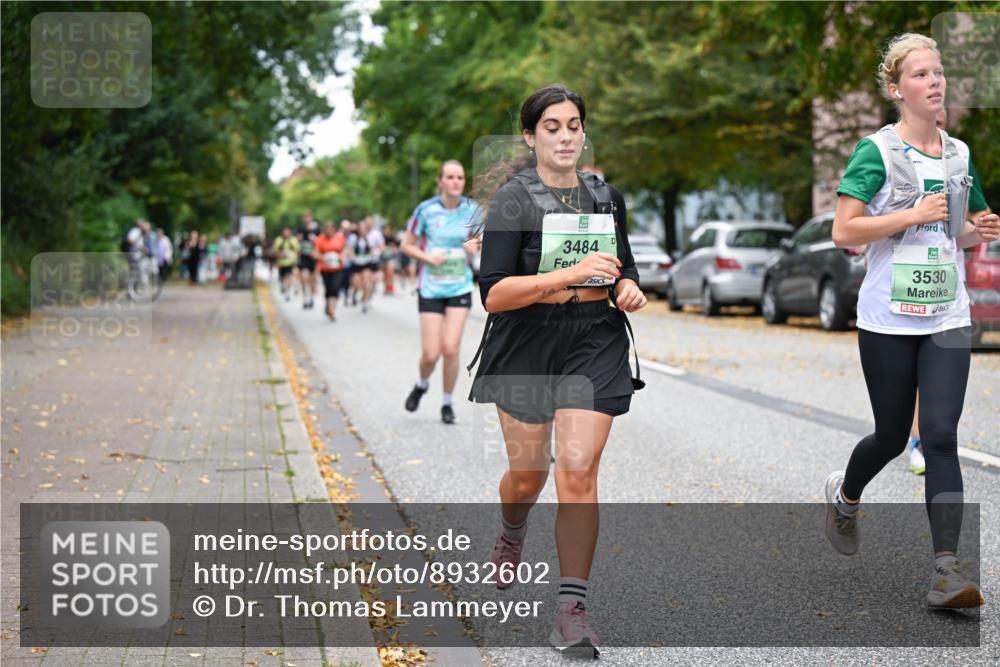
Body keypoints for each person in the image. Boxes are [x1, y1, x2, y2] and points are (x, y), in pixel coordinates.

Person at [466, 84, 647, 656]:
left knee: (575, 470)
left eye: (574, 125)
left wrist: (627, 287)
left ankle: (571, 609)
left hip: (593, 341)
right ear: (530, 135)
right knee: (528, 476)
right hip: (526, 342)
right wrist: (561, 280)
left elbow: (625, 267)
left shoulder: (605, 197)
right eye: (553, 126)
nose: (566, 135)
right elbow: (494, 294)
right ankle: (512, 531)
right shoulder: (513, 203)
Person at [823, 33, 997, 609]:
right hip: (888, 318)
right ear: (897, 90)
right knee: (894, 435)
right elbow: (844, 232)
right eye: (921, 74)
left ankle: (946, 572)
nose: (935, 82)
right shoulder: (877, 152)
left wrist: (980, 230)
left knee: (941, 435)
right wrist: (906, 214)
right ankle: (846, 497)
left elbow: (958, 229)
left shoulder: (960, 155)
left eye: (939, 72)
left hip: (946, 311)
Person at [401, 160, 479, 424]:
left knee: (451, 348)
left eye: (460, 177)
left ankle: (447, 403)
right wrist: (426, 258)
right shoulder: (425, 210)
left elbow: (482, 238)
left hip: (460, 285)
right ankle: (422, 383)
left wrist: (474, 244)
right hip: (431, 287)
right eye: (450, 177)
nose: (456, 181)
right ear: (441, 182)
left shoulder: (473, 210)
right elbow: (406, 245)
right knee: (431, 353)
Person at [347, 217, 385, 313]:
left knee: (368, 281)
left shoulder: (374, 235)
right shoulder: (353, 238)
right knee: (356, 283)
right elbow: (348, 249)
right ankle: (357, 293)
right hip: (356, 263)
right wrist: (350, 256)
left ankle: (365, 300)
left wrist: (376, 252)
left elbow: (381, 246)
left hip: (369, 262)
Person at [313, 221, 348, 321]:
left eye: (330, 229)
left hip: (338, 268)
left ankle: (332, 309)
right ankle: (328, 305)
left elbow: (345, 250)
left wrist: (343, 256)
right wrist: (323, 257)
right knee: (328, 288)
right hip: (325, 268)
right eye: (326, 229)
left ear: (334, 229)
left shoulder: (340, 238)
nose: (328, 231)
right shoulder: (320, 239)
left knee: (335, 288)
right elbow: (315, 253)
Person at [298, 211, 319, 309]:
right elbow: (295, 241)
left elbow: (321, 242)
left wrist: (315, 240)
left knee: (312, 279)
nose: (307, 219)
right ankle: (305, 297)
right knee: (304, 277)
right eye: (305, 217)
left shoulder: (316, 229)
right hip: (304, 257)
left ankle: (311, 298)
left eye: (308, 217)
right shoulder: (300, 229)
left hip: (313, 258)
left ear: (311, 218)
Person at [272, 226, 300, 301]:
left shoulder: (293, 240)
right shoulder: (278, 240)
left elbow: (297, 251)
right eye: (284, 231)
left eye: (287, 231)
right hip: (281, 263)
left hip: (291, 262)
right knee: (282, 278)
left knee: (289, 277)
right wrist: (281, 254)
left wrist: (295, 259)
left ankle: (287, 292)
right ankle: (284, 288)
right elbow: (275, 251)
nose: (286, 233)